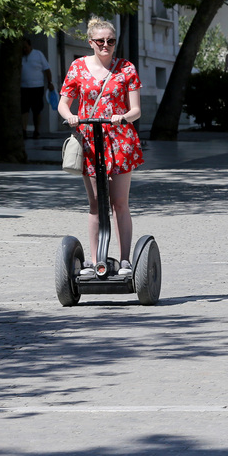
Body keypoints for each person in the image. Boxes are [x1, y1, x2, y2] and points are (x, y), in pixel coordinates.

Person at [57, 17, 144, 275]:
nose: (106, 45)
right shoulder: (78, 67)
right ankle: (96, 260)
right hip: (90, 141)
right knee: (96, 204)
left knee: (119, 203)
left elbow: (136, 109)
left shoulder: (126, 68)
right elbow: (63, 102)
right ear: (90, 42)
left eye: (111, 41)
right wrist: (69, 116)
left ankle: (125, 260)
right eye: (100, 41)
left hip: (120, 142)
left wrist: (123, 116)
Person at [20, 37, 55, 139]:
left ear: (30, 46)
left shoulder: (38, 54)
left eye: (25, 47)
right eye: (22, 48)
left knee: (37, 110)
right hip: (24, 87)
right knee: (24, 110)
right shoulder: (20, 56)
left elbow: (47, 69)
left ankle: (36, 131)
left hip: (37, 87)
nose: (24, 49)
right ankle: (24, 131)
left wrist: (49, 82)